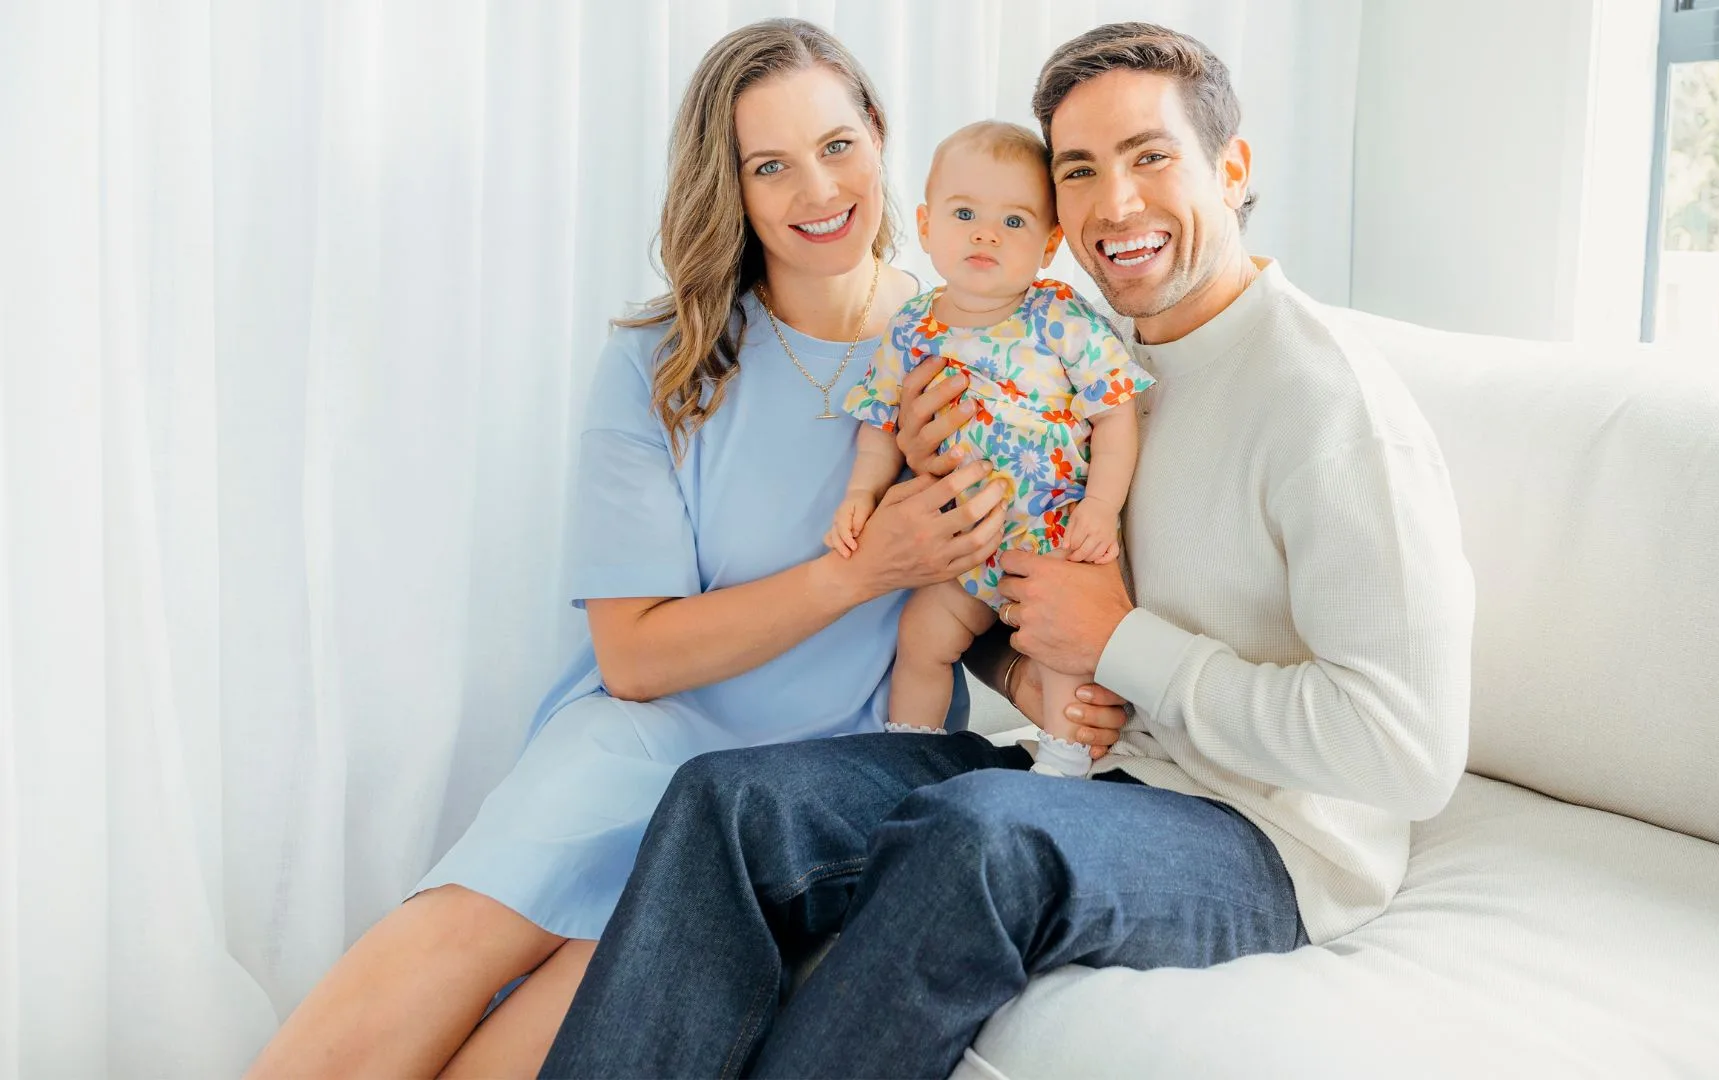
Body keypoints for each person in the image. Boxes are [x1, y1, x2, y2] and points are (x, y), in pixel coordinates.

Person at [540, 20, 1476, 1080]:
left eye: (1151, 155)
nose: (1116, 203)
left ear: (1233, 167)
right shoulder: (1071, 345)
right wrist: (1024, 664)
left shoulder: (1328, 405)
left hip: (1265, 839)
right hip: (1091, 769)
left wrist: (1126, 643)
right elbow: (1014, 592)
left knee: (976, 839)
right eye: (1081, 170)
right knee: (728, 798)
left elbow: (1411, 753)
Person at [244, 19, 1129, 1079]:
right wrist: (858, 567)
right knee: (446, 942)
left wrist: (1038, 673)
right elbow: (636, 658)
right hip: (642, 742)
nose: (817, 191)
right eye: (771, 165)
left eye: (837, 145)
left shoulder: (970, 341)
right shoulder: (663, 366)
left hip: (805, 787)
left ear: (882, 138)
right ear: (735, 188)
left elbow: (988, 574)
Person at [830, 119, 1155, 778]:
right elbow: (880, 423)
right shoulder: (913, 326)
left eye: (1013, 221)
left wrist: (1100, 508)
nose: (985, 233)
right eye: (965, 213)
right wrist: (861, 495)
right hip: (961, 551)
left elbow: (1116, 414)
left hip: (1054, 541)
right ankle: (906, 756)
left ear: (1048, 243)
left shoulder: (1060, 317)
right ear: (925, 226)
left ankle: (1064, 768)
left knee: (1065, 658)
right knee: (921, 636)